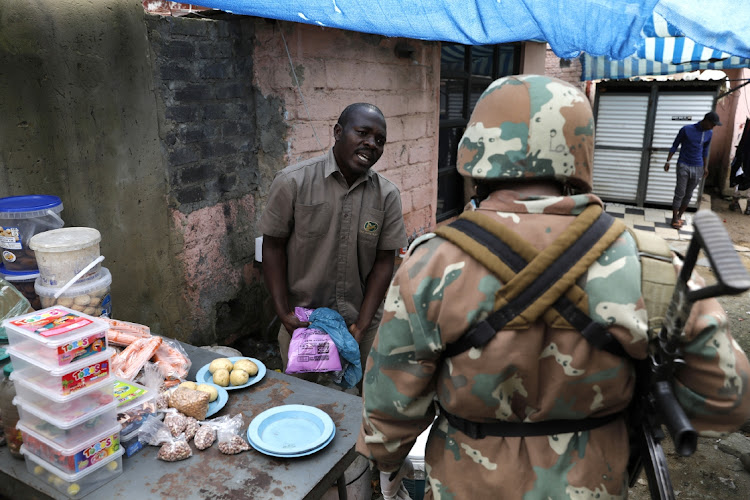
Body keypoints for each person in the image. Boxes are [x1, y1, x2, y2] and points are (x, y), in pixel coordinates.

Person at [356, 75, 750, 499]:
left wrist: (389, 464)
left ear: (474, 154)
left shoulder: (429, 263)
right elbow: (727, 400)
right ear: (579, 153)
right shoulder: (652, 264)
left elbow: (389, 411)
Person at [260, 102, 407, 389]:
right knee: (304, 398)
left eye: (379, 140)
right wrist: (282, 313)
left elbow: (383, 262)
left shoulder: (387, 195)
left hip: (360, 321)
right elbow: (273, 247)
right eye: (362, 133)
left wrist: (362, 327)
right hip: (303, 322)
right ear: (338, 132)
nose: (371, 144)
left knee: (360, 401)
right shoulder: (293, 182)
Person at [664, 110, 722, 229]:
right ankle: (674, 218)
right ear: (706, 121)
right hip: (683, 164)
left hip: (698, 166)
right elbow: (675, 145)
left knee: (689, 194)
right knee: (680, 192)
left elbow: (705, 150)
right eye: (713, 124)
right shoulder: (686, 129)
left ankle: (680, 216)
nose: (714, 127)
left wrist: (705, 167)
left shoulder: (709, 133)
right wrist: (668, 161)